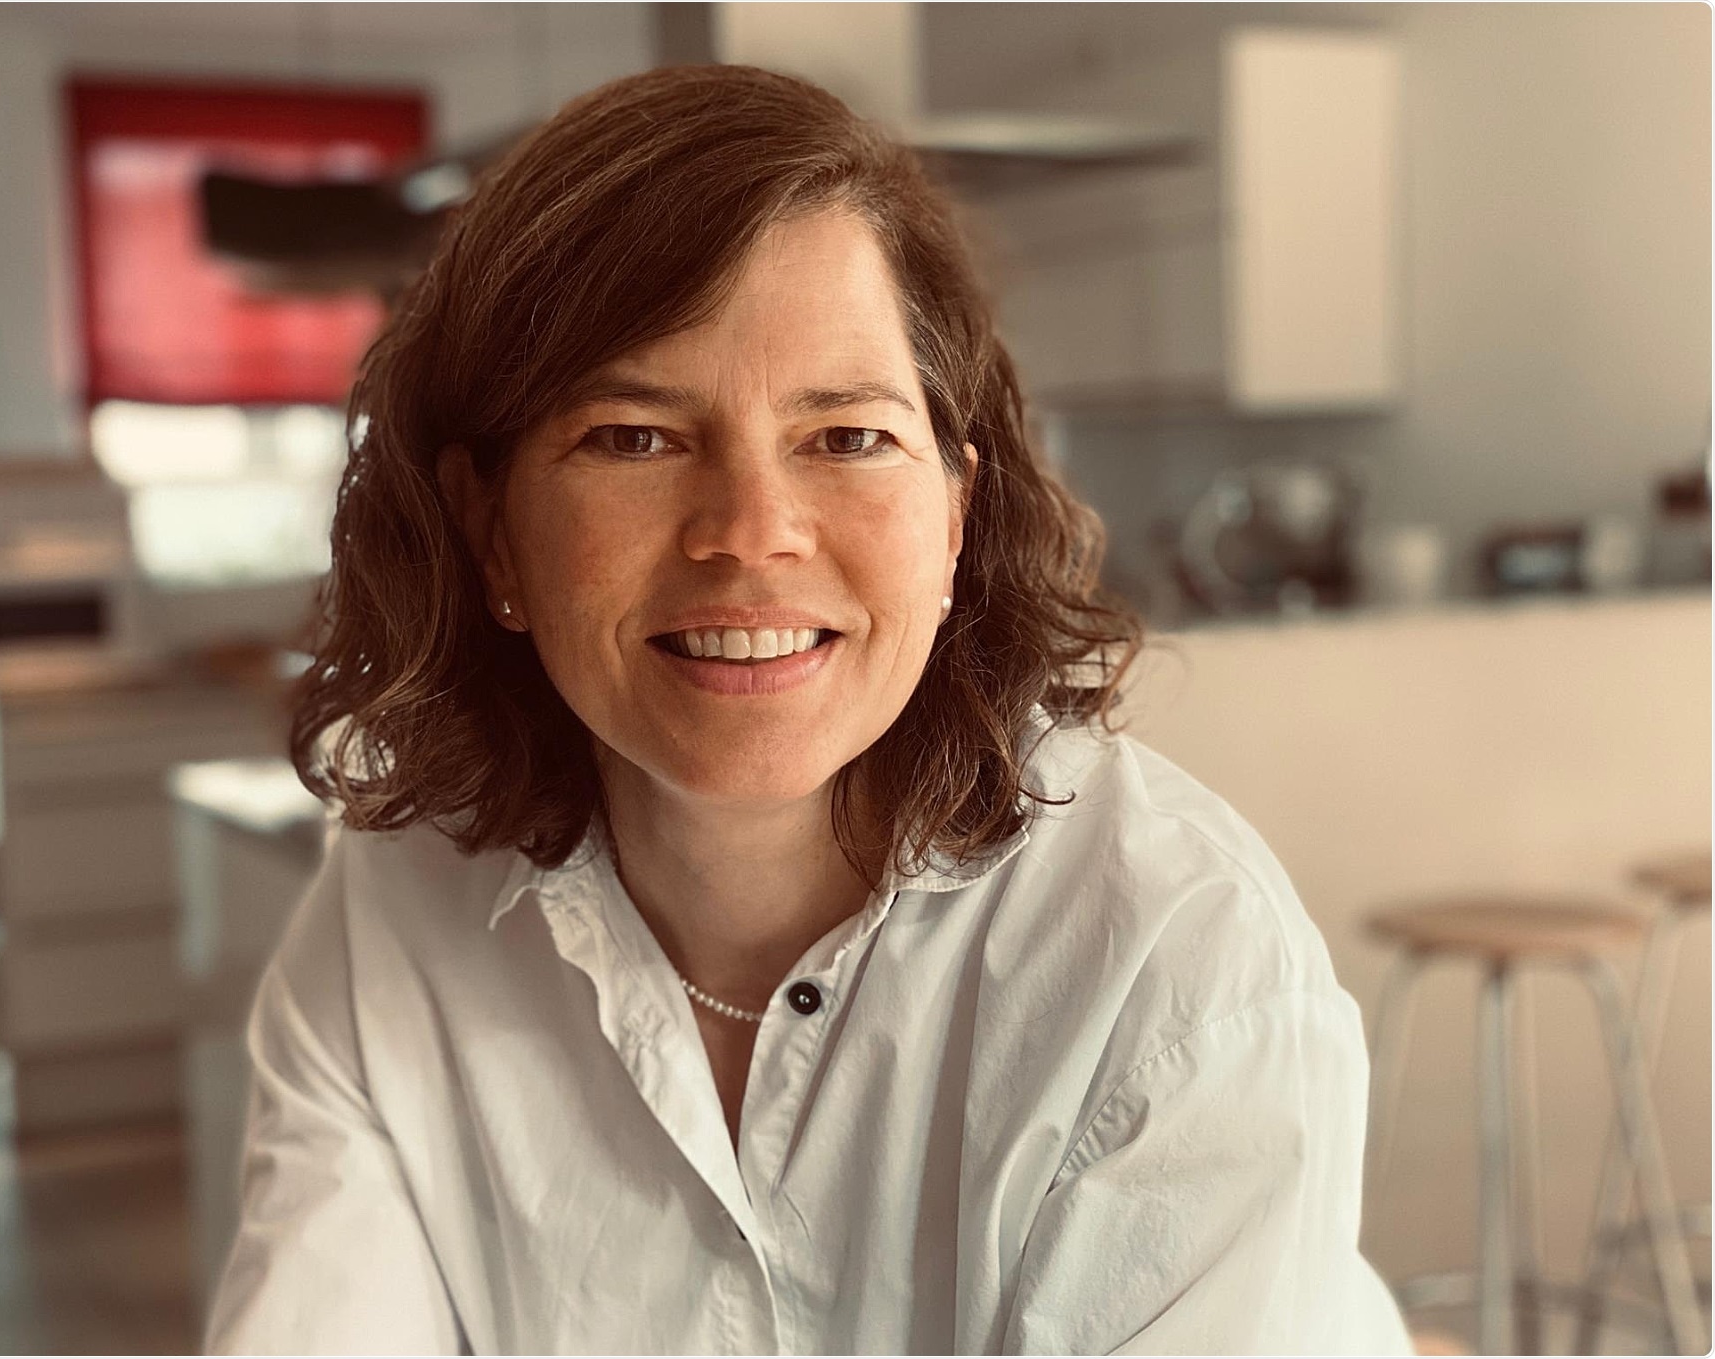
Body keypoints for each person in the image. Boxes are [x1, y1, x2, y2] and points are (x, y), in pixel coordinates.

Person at [206, 64, 1413, 1356]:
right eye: (634, 436)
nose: (751, 533)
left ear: (954, 515)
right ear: (492, 531)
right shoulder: (389, 918)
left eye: (846, 438)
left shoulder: (1176, 962)